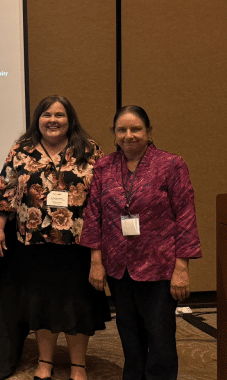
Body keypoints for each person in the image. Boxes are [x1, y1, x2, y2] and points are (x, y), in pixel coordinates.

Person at [0, 95, 110, 380]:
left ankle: (78, 365)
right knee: (40, 303)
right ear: (38, 120)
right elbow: (4, 191)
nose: (53, 120)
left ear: (70, 120)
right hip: (35, 245)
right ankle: (46, 362)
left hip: (78, 245)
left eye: (59, 115)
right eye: (47, 115)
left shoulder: (89, 150)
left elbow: (105, 199)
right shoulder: (23, 150)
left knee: (78, 304)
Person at [81, 105, 202, 380]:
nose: (129, 135)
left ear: (148, 133)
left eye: (136, 129)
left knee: (159, 335)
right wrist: (96, 261)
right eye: (122, 130)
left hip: (159, 266)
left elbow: (185, 215)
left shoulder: (171, 164)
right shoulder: (103, 167)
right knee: (129, 331)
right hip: (118, 266)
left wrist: (181, 268)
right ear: (114, 135)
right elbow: (93, 215)